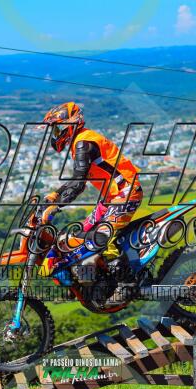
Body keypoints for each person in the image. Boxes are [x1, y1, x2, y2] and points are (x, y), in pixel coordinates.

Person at [38, 101, 143, 278]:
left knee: (101, 238)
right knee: (81, 235)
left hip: (126, 193)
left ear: (70, 124)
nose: (55, 134)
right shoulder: (80, 141)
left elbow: (78, 184)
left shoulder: (84, 143)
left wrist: (57, 205)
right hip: (111, 198)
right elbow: (78, 179)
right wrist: (56, 195)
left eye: (57, 129)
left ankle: (126, 283)